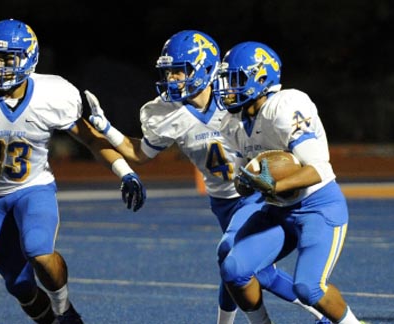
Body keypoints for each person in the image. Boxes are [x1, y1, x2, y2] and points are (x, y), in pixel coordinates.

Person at [85, 30, 330, 323]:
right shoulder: (165, 112)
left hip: (254, 194)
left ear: (204, 68)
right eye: (169, 72)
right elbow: (141, 155)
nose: (172, 79)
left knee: (230, 256)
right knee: (252, 271)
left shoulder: (235, 94)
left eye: (180, 71)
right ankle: (322, 313)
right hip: (222, 201)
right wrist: (107, 129)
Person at [0, 18, 146, 324]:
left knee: (38, 250)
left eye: (8, 58)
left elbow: (90, 139)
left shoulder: (50, 95)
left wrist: (125, 171)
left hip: (33, 188)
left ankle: (64, 309)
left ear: (29, 58)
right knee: (18, 285)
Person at [214, 41, 363, 323]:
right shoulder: (231, 123)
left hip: (317, 207)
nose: (229, 88)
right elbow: (241, 180)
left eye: (236, 80)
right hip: (277, 210)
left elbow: (318, 168)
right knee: (234, 268)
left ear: (260, 79)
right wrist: (246, 182)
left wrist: (271, 184)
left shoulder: (285, 107)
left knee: (309, 288)